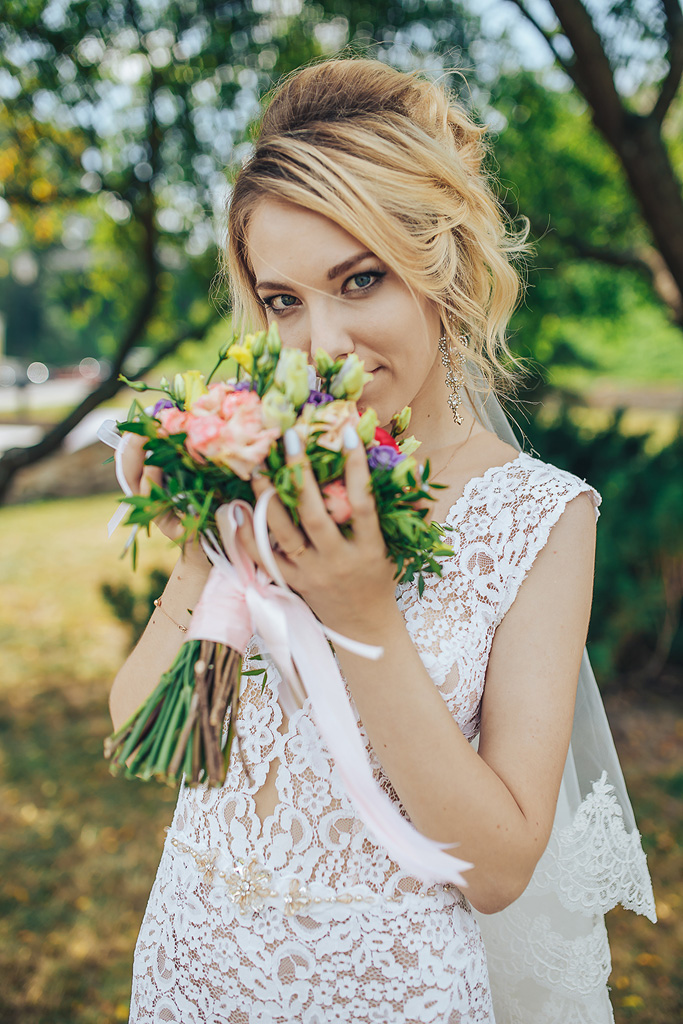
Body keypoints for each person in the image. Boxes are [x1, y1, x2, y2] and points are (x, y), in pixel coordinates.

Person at [111, 58, 655, 1024]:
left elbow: (495, 869)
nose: (318, 345)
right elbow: (138, 735)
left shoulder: (536, 517)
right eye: (282, 300)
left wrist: (364, 620)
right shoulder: (259, 468)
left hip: (382, 987)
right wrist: (201, 550)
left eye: (358, 280)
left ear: (441, 266)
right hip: (190, 960)